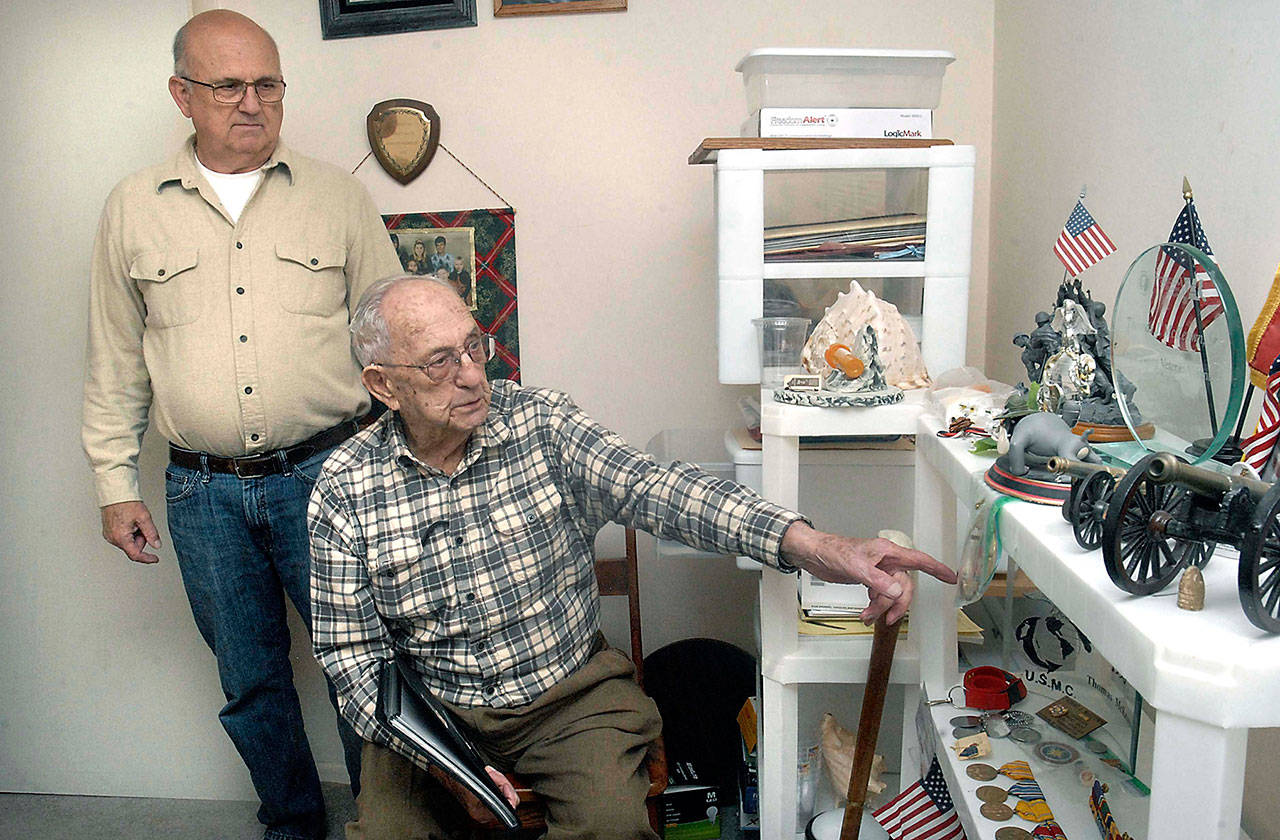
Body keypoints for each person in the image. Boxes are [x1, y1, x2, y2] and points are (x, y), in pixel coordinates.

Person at [308, 275, 957, 840]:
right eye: (440, 362)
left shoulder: (541, 424)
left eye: (474, 346)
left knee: (610, 828)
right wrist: (451, 770)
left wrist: (816, 546)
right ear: (383, 385)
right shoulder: (345, 489)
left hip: (566, 699)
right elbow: (351, 656)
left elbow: (657, 488)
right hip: (435, 710)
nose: (474, 374)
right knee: (389, 831)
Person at [81, 11, 402, 840]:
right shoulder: (132, 208)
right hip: (202, 492)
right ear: (182, 94)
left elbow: (399, 337)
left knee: (361, 667)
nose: (251, 102)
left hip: (333, 476)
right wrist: (116, 486)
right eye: (228, 85)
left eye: (268, 84)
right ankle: (293, 823)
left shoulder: (340, 196)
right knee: (251, 680)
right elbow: (115, 362)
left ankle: (387, 823)